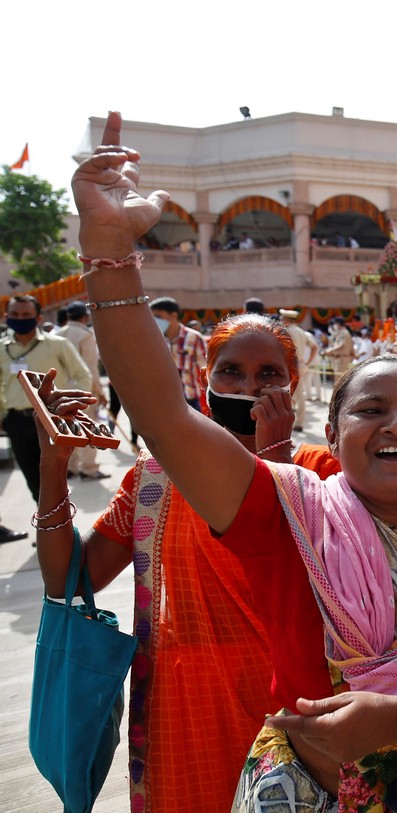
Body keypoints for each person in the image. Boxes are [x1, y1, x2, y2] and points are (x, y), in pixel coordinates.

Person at [69, 110, 397, 812]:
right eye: (371, 409)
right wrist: (109, 248)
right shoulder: (288, 514)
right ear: (332, 435)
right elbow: (164, 414)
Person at [34, 313, 339, 813]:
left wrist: (277, 458)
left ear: (293, 384)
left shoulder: (319, 470)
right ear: (206, 380)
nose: (248, 387)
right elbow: (70, 579)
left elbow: (331, 580)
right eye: (232, 372)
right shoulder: (155, 477)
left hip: (293, 700)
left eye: (268, 374)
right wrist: (52, 465)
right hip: (186, 702)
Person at [0, 294, 91, 500]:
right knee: (34, 481)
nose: (20, 318)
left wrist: (74, 409)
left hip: (51, 420)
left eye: (26, 314)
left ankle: (62, 527)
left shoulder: (58, 344)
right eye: (15, 314)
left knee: (57, 481)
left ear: (38, 317)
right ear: (6, 316)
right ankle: (45, 526)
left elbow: (82, 374)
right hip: (16, 421)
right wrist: (2, 416)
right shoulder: (2, 348)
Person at [52, 300, 110, 479]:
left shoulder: (57, 334)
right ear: (85, 317)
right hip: (82, 389)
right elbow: (90, 368)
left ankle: (71, 466)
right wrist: (99, 392)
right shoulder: (85, 335)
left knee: (67, 428)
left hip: (60, 389)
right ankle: (89, 468)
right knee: (87, 427)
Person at [149, 296, 207, 411]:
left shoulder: (193, 338)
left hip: (190, 399)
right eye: (153, 317)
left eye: (158, 316)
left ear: (173, 316)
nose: (155, 321)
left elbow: (206, 369)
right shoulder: (154, 340)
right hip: (163, 400)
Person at [279, 308, 321, 430]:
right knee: (297, 392)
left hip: (290, 364)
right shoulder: (300, 331)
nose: (281, 319)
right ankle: (299, 420)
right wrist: (306, 361)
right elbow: (314, 347)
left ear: (287, 319)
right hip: (299, 363)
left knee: (292, 392)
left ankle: (297, 422)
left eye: (283, 317)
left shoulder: (286, 331)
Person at [321, 315, 354, 386]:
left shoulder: (344, 333)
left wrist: (330, 350)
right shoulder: (341, 333)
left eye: (335, 324)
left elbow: (342, 345)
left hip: (341, 358)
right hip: (339, 358)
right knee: (338, 379)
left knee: (340, 380)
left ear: (338, 324)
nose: (334, 326)